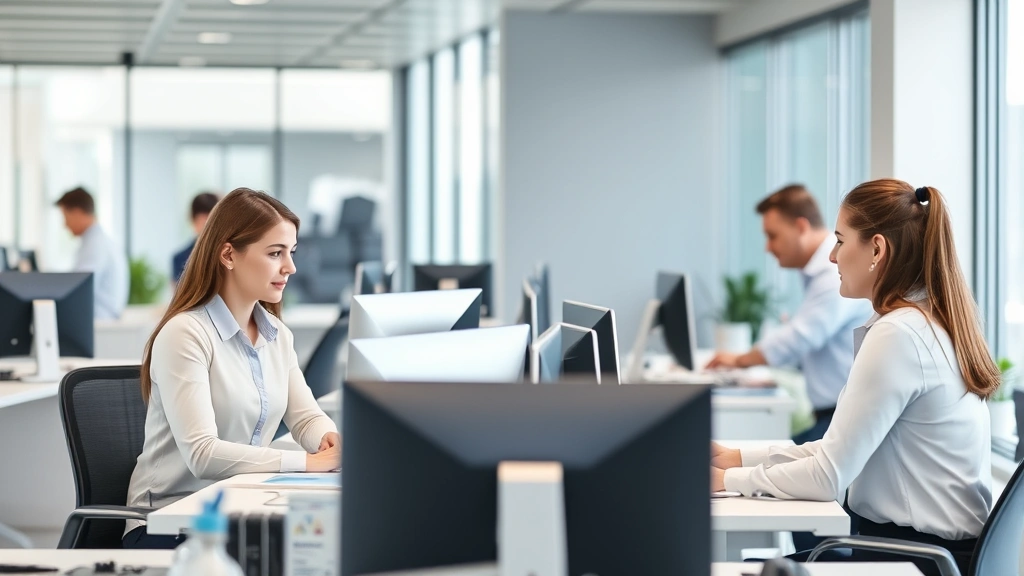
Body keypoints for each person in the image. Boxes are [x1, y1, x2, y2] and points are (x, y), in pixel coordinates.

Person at [711, 179, 998, 576]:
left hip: (914, 561)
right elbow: (834, 451)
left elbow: (827, 476)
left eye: (841, 241)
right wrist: (737, 459)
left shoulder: (900, 334)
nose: (831, 257)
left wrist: (729, 479)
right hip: (927, 555)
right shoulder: (920, 323)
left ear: (877, 249)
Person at [123, 188, 340, 549]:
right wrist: (305, 463)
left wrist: (329, 441)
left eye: (291, 252)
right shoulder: (185, 334)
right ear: (228, 254)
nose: (291, 267)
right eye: (275, 253)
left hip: (240, 512)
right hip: (169, 525)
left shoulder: (277, 336)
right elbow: (203, 454)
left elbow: (305, 417)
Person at [706, 185, 872, 444]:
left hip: (840, 419)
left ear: (801, 227)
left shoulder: (832, 275)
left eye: (772, 236)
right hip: (830, 414)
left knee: (761, 462)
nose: (768, 248)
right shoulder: (817, 274)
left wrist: (740, 360)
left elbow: (801, 337)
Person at [55, 187, 128, 320]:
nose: (64, 225)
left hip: (99, 323)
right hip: (101, 321)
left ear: (77, 213)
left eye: (65, 217)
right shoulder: (97, 241)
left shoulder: (95, 245)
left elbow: (78, 289)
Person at [172, 192, 220, 285]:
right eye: (202, 221)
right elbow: (177, 295)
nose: (206, 228)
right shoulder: (180, 258)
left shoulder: (227, 254)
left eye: (210, 221)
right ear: (192, 219)